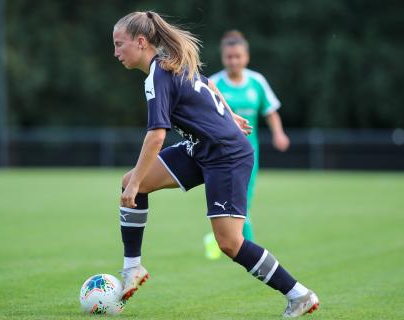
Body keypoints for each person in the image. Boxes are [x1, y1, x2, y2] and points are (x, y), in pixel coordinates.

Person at [112, 11, 319, 317]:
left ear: (141, 42)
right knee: (132, 180)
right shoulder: (171, 62)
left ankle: (299, 295)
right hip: (203, 148)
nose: (115, 52)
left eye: (119, 44)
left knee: (230, 243)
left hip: (226, 154)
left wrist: (134, 186)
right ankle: (133, 268)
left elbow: (156, 136)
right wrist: (229, 113)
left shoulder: (159, 73)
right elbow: (207, 83)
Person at [204, 30, 290, 257]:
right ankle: (246, 250)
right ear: (223, 58)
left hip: (249, 153)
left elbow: (270, 111)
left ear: (246, 57)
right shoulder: (213, 83)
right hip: (220, 154)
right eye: (229, 57)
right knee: (230, 202)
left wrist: (278, 134)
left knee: (243, 200)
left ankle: (236, 245)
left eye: (238, 56)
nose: (233, 61)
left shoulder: (257, 81)